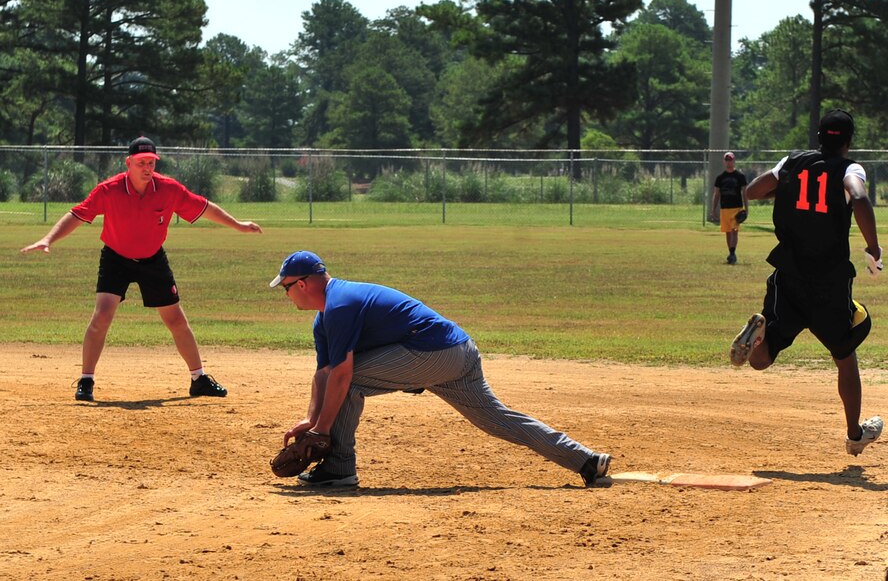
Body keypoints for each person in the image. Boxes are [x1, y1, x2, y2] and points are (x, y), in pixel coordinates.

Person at [269, 250, 611, 488]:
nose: (286, 295)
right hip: (455, 352)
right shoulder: (325, 317)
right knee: (498, 419)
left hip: (433, 353)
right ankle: (585, 460)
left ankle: (339, 469)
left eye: (285, 287)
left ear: (302, 284)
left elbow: (342, 377)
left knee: (351, 381)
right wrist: (312, 421)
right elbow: (324, 373)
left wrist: (323, 433)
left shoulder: (340, 304)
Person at [20, 136, 263, 402]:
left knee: (176, 319)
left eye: (151, 162)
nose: (147, 168)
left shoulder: (168, 189)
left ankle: (199, 379)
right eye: (141, 163)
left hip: (152, 259)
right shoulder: (109, 190)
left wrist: (238, 224)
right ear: (128, 163)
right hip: (115, 258)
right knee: (102, 316)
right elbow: (77, 214)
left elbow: (204, 208)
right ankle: (86, 380)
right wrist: (48, 239)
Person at [729, 109, 882, 456]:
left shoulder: (793, 162)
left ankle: (759, 336)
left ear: (818, 138)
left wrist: (785, 186)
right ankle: (855, 434)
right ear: (847, 141)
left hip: (788, 275)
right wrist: (873, 249)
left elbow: (753, 190)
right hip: (828, 281)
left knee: (761, 360)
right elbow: (858, 196)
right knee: (846, 351)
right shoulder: (849, 168)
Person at [710, 151, 748, 264]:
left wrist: (746, 208)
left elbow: (744, 193)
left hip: (737, 207)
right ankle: (731, 253)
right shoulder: (720, 178)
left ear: (734, 160)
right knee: (727, 231)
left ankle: (732, 253)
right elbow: (716, 194)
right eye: (726, 160)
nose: (728, 162)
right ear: (724, 161)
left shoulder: (740, 176)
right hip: (724, 208)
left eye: (730, 159)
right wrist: (713, 209)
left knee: (734, 231)